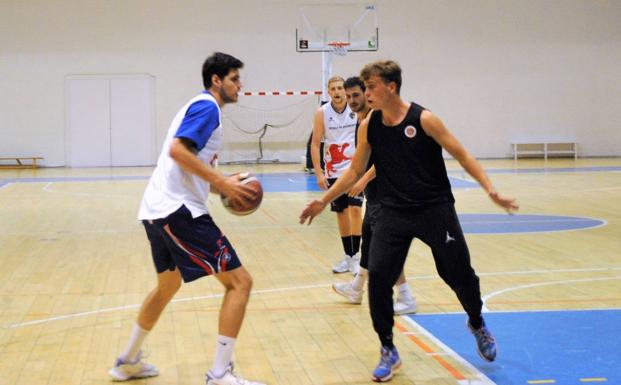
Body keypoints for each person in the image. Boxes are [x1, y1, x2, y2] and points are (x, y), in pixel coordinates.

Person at [300, 60, 518, 382]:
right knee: (378, 282)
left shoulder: (425, 119)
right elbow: (355, 170)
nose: (366, 93)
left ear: (390, 87)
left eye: (371, 86)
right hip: (392, 212)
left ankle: (476, 321)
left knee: (460, 275)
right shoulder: (369, 125)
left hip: (435, 209)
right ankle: (388, 348)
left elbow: (462, 154)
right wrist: (324, 199)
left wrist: (491, 190)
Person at [108, 52, 265, 385]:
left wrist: (220, 183)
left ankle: (128, 361)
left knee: (167, 284)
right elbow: (178, 151)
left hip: (156, 209)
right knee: (240, 283)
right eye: (235, 78)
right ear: (216, 80)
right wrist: (221, 183)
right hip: (179, 211)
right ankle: (220, 374)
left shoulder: (197, 107)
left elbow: (186, 159)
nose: (241, 85)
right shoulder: (208, 107)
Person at [332, 76, 417, 315]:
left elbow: (386, 159)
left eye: (355, 95)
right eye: (348, 96)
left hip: (387, 194)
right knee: (369, 242)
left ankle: (406, 297)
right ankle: (357, 288)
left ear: (367, 94)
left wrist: (362, 180)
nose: (351, 101)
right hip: (376, 195)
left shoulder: (375, 120)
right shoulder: (362, 120)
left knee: (384, 248)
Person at [310, 76, 363, 274]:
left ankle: (356, 256)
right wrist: (319, 172)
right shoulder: (322, 113)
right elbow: (315, 143)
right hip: (333, 169)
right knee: (342, 214)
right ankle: (348, 256)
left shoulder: (355, 109)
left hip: (354, 168)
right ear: (328, 92)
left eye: (340, 88)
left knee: (356, 210)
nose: (337, 92)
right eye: (333, 89)